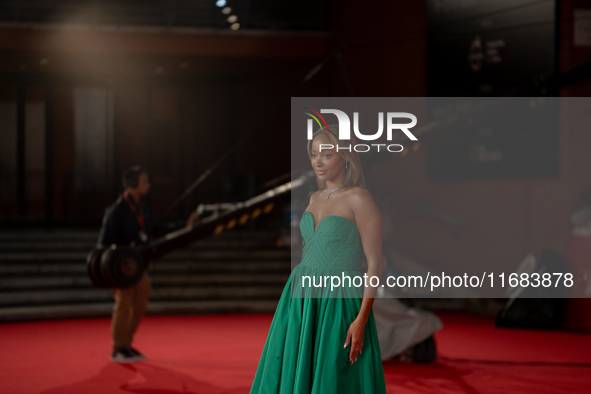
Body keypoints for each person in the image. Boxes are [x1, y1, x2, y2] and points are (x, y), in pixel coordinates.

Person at [250, 126, 387, 393]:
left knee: (333, 374)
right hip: (301, 293)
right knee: (294, 368)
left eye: (326, 154)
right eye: (314, 154)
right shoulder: (313, 198)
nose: (317, 162)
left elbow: (375, 264)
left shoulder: (360, 198)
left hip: (339, 297)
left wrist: (361, 318)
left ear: (345, 156)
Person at [97, 165, 196, 363]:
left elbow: (160, 228)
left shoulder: (143, 208)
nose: (148, 185)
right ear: (133, 184)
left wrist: (184, 226)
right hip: (120, 267)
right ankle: (118, 348)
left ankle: (127, 343)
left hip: (137, 265)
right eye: (144, 181)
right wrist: (117, 258)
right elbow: (103, 242)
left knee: (141, 301)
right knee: (123, 304)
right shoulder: (117, 211)